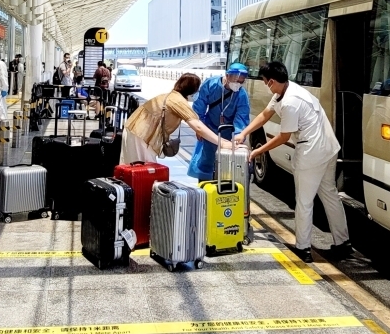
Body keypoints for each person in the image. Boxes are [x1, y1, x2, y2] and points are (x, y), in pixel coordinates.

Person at [235, 61, 351, 263]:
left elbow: (283, 137)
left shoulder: (290, 102)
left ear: (271, 81)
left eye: (265, 81)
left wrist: (257, 151)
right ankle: (343, 243)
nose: (265, 85)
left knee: (304, 202)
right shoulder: (288, 89)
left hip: (311, 152)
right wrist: (244, 133)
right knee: (330, 195)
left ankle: (303, 248)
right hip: (328, 147)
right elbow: (265, 115)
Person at [120, 73, 229, 165]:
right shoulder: (178, 101)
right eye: (197, 89)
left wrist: (221, 140)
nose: (198, 93)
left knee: (132, 168)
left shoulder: (172, 96)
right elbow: (198, 126)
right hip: (141, 135)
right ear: (191, 89)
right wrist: (221, 143)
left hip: (135, 131)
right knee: (144, 170)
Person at [187, 63, 251, 181]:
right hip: (210, 129)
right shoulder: (211, 84)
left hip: (229, 133)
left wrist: (238, 135)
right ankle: (205, 185)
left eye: (241, 81)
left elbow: (241, 117)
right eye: (235, 80)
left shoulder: (241, 94)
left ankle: (223, 186)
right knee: (206, 160)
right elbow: (199, 106)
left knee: (226, 165)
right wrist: (199, 127)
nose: (237, 84)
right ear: (227, 75)